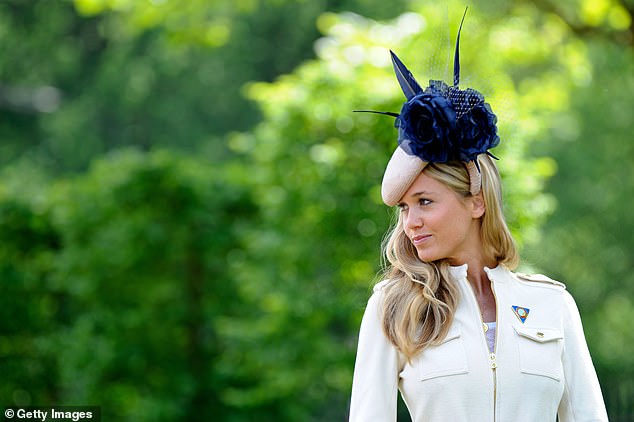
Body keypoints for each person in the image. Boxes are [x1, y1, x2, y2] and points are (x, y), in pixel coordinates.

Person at [349, 10, 608, 422]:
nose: (409, 222)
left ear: (476, 201)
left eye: (426, 202)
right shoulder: (392, 306)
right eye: (404, 207)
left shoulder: (552, 304)